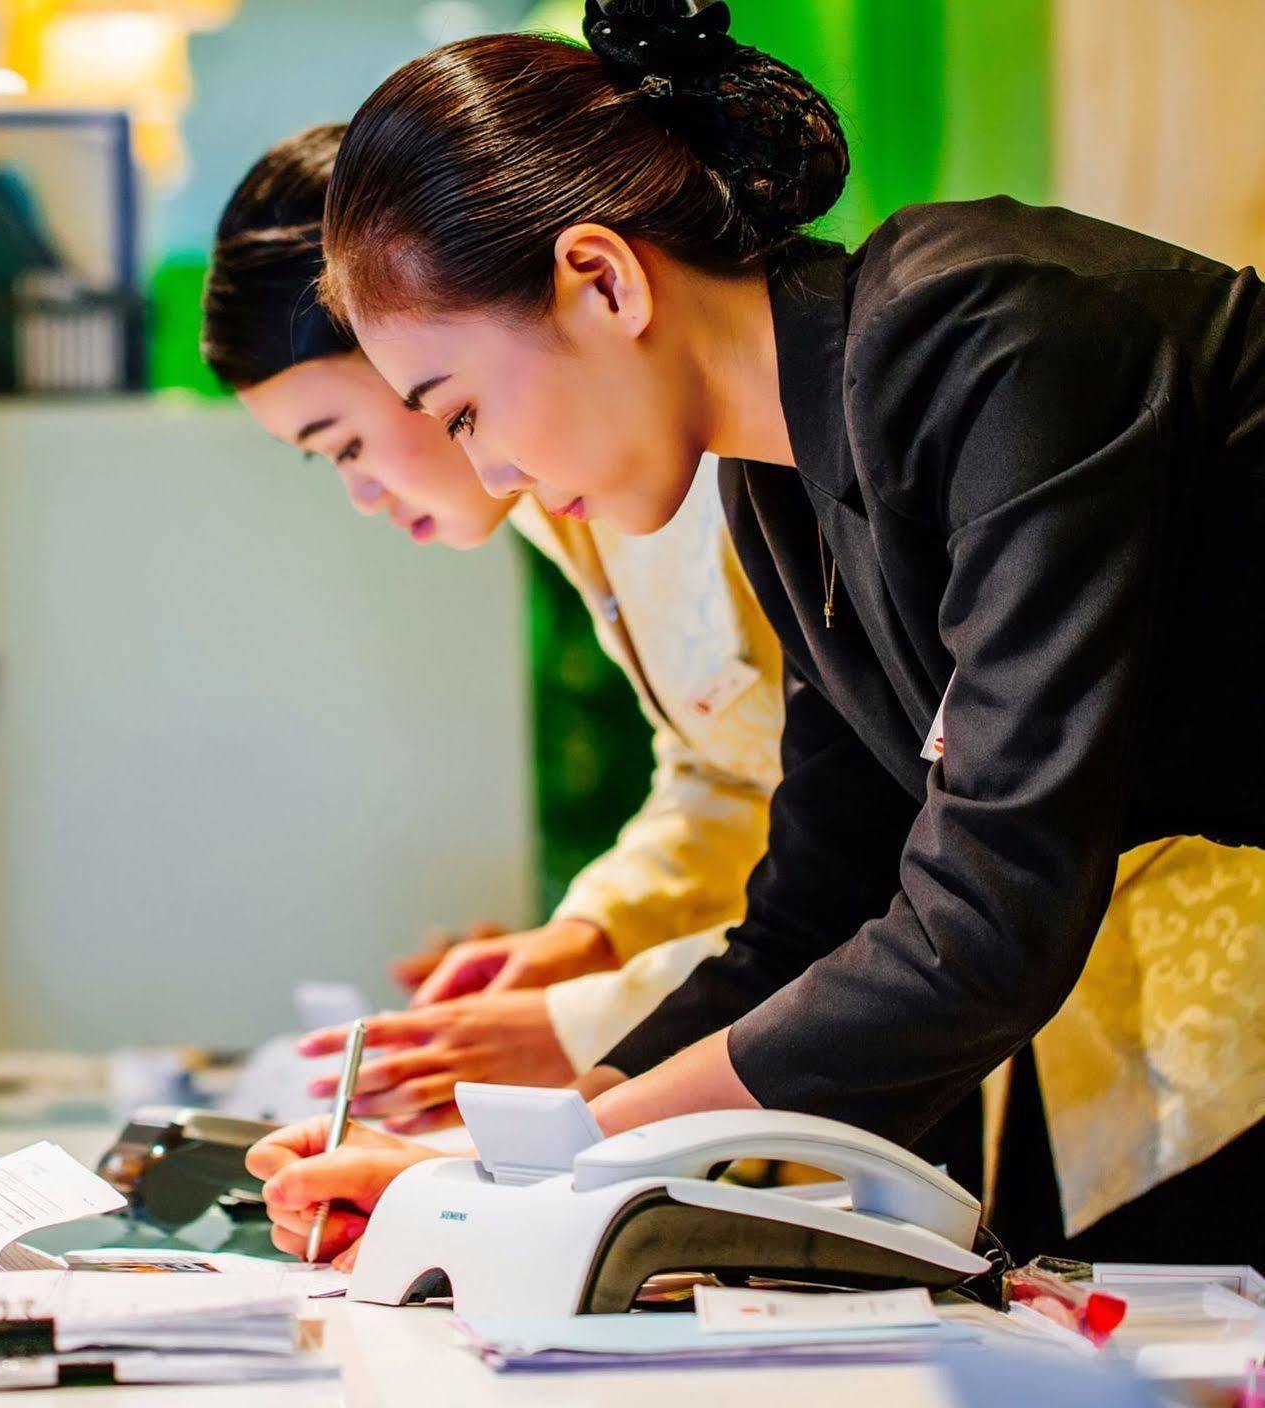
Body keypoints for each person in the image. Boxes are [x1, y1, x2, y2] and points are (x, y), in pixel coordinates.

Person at [252, 0, 1265, 1265]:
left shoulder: (996, 338)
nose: (493, 471)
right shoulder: (774, 481)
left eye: (458, 411)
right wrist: (503, 1156)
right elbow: (813, 910)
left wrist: (574, 1162)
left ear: (603, 278)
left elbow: (986, 918)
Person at [203, 124, 784, 1131]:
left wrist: (581, 1023)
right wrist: (593, 937)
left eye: (343, 443)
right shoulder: (566, 497)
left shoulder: (701, 455)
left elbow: (887, 835)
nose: (359, 494)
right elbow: (731, 770)